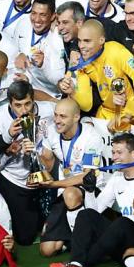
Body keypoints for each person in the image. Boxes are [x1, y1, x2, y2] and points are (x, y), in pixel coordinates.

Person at [49, 133, 134, 267]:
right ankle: (76, 263)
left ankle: (80, 265)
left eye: (119, 153)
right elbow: (95, 212)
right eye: (113, 152)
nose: (114, 157)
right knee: (85, 214)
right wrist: (90, 191)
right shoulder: (117, 177)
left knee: (123, 222)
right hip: (120, 241)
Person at [25, 98, 104, 257]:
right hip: (63, 187)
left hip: (89, 189)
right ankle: (68, 240)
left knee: (70, 193)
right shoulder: (52, 130)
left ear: (76, 117)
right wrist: (35, 154)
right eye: (55, 115)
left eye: (62, 116)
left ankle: (82, 243)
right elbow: (48, 162)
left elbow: (86, 177)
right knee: (47, 250)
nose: (57, 120)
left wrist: (53, 184)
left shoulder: (92, 137)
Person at [0, 80, 55, 246]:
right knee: (24, 238)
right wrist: (8, 137)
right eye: (18, 105)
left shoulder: (48, 110)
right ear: (10, 103)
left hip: (44, 177)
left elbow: (71, 109)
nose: (24, 110)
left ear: (33, 100)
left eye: (28, 104)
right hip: (13, 180)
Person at [58, 20, 134, 131]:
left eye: (87, 41)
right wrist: (72, 92)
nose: (82, 46)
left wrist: (129, 114)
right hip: (105, 112)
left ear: (101, 40)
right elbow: (86, 104)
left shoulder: (116, 51)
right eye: (79, 41)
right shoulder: (80, 62)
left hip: (131, 112)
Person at [13, 0, 67, 99]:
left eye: (43, 15)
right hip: (23, 87)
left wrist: (43, 65)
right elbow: (15, 50)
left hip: (49, 96)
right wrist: (19, 54)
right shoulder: (23, 24)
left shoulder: (58, 38)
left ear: (52, 16)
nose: (36, 19)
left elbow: (58, 80)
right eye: (34, 13)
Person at [55, 1, 85, 66]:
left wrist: (75, 48)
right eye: (59, 23)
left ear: (79, 23)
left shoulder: (103, 28)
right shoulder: (65, 39)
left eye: (65, 22)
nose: (60, 28)